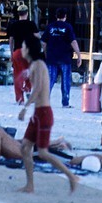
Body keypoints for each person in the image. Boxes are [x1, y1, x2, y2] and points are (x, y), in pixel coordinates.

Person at [16, 35, 78, 193]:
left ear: (29, 49)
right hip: (38, 113)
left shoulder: (38, 64)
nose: (22, 50)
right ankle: (30, 185)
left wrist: (25, 107)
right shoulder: (35, 65)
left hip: (43, 113)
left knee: (43, 152)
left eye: (23, 47)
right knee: (25, 147)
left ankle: (71, 177)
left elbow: (38, 89)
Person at [42, 11, 80, 108]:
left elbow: (44, 43)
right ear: (65, 16)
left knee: (50, 79)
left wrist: (46, 53)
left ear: (56, 16)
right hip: (65, 57)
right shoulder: (68, 27)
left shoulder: (50, 27)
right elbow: (73, 42)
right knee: (66, 81)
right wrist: (79, 55)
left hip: (52, 57)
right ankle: (65, 102)